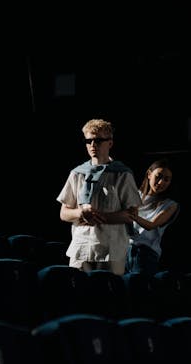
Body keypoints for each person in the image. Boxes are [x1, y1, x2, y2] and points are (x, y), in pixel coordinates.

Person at [57, 118, 141, 275]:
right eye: (88, 141)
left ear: (110, 143)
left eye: (98, 140)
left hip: (111, 249)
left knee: (107, 295)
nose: (93, 145)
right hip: (81, 247)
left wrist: (98, 216)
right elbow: (63, 212)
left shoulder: (122, 174)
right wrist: (80, 213)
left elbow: (132, 214)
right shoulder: (77, 173)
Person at [125, 158, 180, 275]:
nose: (161, 182)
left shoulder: (170, 204)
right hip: (123, 252)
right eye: (158, 176)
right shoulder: (134, 195)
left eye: (166, 179)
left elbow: (151, 225)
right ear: (149, 174)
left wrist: (133, 215)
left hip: (145, 255)